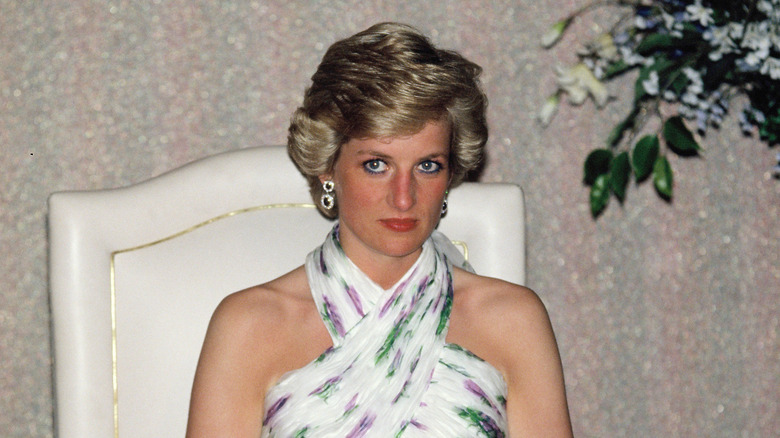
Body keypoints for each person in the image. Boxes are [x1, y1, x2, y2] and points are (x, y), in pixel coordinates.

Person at [187, 22, 572, 437]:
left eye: (427, 166)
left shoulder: (513, 320)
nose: (404, 198)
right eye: (377, 165)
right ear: (326, 168)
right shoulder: (249, 326)